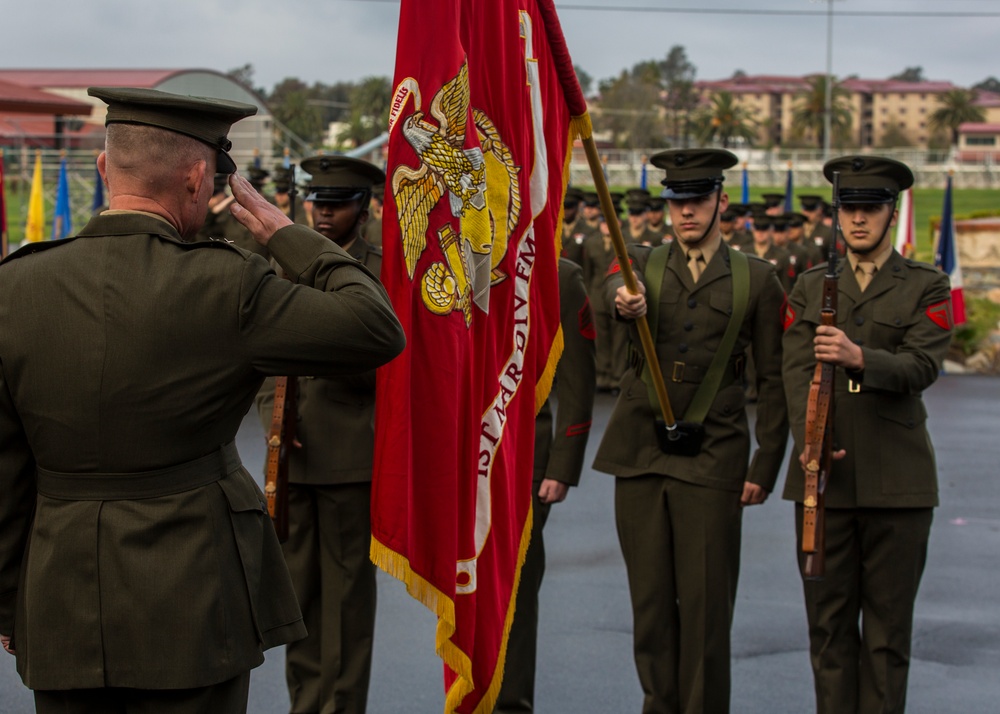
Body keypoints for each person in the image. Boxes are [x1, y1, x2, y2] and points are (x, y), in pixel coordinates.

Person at [0, 86, 406, 714]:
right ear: (198, 179)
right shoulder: (229, 283)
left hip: (60, 606)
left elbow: (6, 470)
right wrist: (283, 233)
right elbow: (374, 327)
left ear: (105, 168)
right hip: (194, 599)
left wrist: (9, 601)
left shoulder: (13, 287)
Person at [592, 148, 788, 714]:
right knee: (650, 605)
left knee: (705, 607)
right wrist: (623, 302)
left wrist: (765, 462)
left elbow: (774, 380)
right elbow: (610, 291)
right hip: (640, 449)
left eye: (698, 200)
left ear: (721, 202)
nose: (686, 213)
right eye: (677, 202)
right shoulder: (640, 264)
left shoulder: (758, 277)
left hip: (715, 452)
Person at [781, 155, 953, 714]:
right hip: (823, 484)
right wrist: (808, 434)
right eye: (848, 209)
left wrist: (860, 358)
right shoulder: (810, 287)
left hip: (897, 486)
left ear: (891, 211)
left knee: (885, 638)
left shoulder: (927, 286)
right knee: (829, 635)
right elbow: (790, 373)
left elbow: (922, 368)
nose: (857, 220)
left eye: (870, 209)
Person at [256, 153, 386, 714]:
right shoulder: (282, 260)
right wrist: (274, 419)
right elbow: (261, 354)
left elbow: (392, 363)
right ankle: (306, 704)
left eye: (337, 205)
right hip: (292, 455)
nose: (323, 214)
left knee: (348, 600)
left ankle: (343, 705)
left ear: (364, 208)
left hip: (353, 452)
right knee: (298, 598)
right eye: (317, 202)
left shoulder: (380, 269)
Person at [494, 257, 596, 714]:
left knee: (513, 591)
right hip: (457, 458)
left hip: (525, 456)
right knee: (461, 592)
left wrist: (562, 463)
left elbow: (577, 377)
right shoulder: (453, 257)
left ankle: (510, 704)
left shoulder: (557, 274)